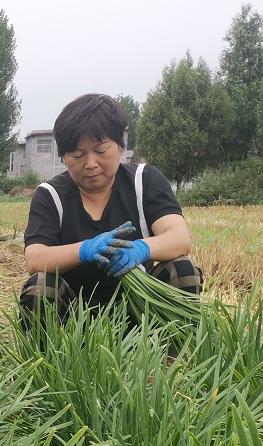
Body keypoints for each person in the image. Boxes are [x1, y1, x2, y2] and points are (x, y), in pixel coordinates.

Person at [21, 94, 203, 324]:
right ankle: (46, 359)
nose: (90, 164)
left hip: (139, 308)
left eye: (100, 150)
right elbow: (35, 259)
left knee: (182, 270)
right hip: (74, 315)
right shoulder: (51, 195)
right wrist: (84, 250)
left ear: (120, 145)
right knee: (40, 287)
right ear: (65, 157)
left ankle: (172, 357)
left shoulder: (143, 181)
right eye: (77, 154)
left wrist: (141, 249)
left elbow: (179, 239)